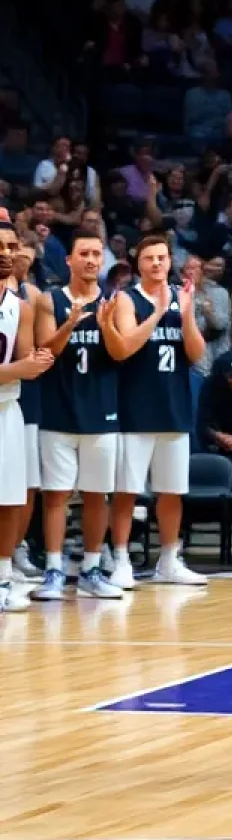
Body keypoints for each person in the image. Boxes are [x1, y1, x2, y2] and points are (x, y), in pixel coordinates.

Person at [107, 234, 208, 589]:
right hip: (135, 409)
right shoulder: (126, 298)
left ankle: (169, 559)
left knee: (171, 491)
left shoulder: (181, 300)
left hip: (174, 406)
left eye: (162, 257)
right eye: (149, 258)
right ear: (139, 263)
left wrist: (187, 312)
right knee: (126, 491)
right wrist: (163, 310)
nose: (156, 263)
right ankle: (120, 559)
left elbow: (197, 355)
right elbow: (128, 345)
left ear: (169, 260)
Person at [31, 232, 126, 600]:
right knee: (55, 496)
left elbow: (120, 354)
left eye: (96, 254)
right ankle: (54, 569)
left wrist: (103, 325)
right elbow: (45, 351)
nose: (90, 260)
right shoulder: (48, 300)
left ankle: (91, 568)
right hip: (58, 410)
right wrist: (70, 322)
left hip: (101, 411)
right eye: (83, 253)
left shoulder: (113, 302)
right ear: (68, 260)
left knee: (96, 496)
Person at [0, 219, 54, 611]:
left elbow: (28, 363)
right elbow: (20, 368)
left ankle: (3, 578)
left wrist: (35, 361)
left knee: (9, 500)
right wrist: (21, 369)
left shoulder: (21, 307)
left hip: (7, 409)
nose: (6, 254)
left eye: (10, 247)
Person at [8, 232, 46, 582]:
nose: (12, 255)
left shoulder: (26, 301)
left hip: (17, 404)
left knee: (18, 489)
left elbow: (33, 356)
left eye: (14, 248)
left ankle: (10, 563)